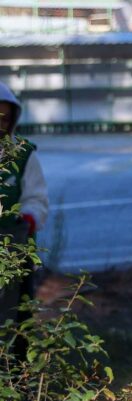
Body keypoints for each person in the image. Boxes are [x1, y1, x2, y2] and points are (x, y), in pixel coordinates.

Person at [0, 81, 49, 326]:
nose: (1, 124)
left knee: (17, 315)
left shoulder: (23, 154)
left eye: (5, 119)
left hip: (16, 251)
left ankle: (17, 364)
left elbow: (37, 198)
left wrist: (28, 219)